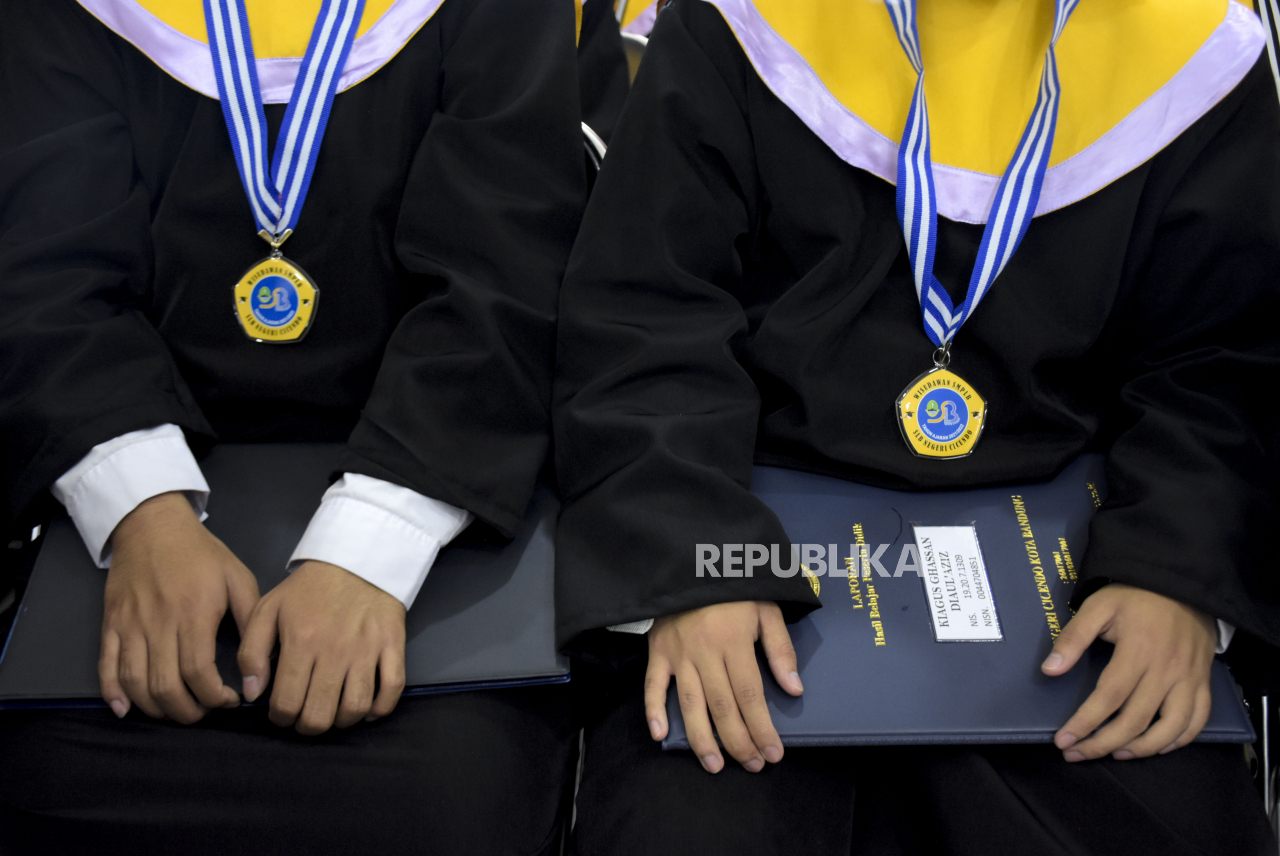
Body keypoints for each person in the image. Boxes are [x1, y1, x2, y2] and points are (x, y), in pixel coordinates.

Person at [553, 0, 1280, 853]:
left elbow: (1221, 363)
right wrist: (688, 561)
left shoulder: (1192, 55)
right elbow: (647, 316)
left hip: (1079, 568)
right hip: (753, 556)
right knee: (686, 817)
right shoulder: (743, 27)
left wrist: (1176, 576)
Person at [0, 0, 590, 853]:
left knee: (453, 808)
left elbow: (505, 278)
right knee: (49, 778)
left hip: (434, 495)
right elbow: (44, 276)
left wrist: (367, 556)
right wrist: (143, 517)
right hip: (136, 497)